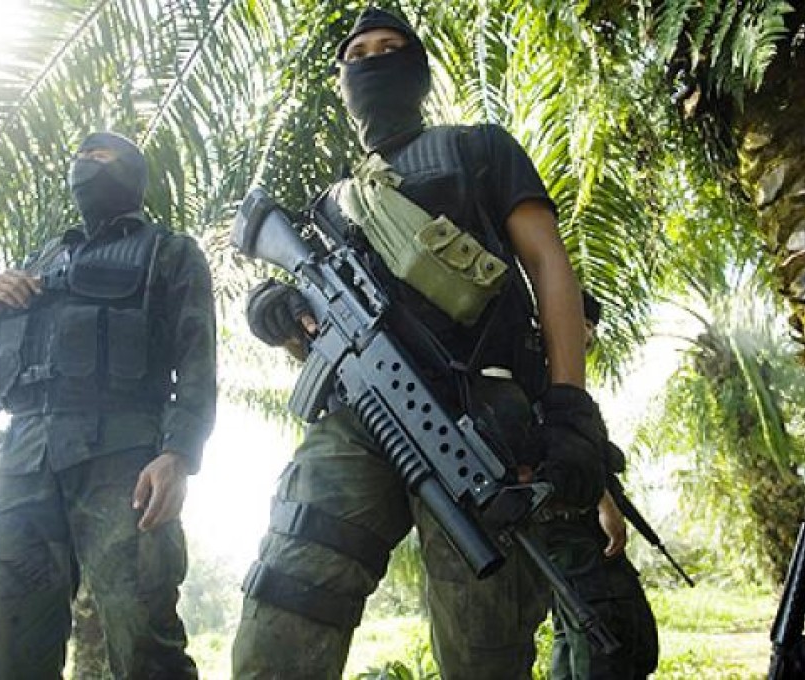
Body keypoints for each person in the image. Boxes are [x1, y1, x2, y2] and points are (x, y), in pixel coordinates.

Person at [231, 7, 608, 678]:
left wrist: (570, 407)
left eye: (392, 47)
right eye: (359, 54)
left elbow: (552, 267)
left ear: (420, 69)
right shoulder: (334, 204)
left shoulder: (478, 148)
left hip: (482, 415)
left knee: (484, 638)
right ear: (342, 81)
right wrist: (286, 312)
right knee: (289, 601)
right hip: (358, 418)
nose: (374, 61)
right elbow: (317, 339)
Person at [0, 131, 217, 679]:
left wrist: (179, 454)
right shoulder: (40, 259)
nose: (87, 165)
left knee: (143, 635)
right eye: (80, 157)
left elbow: (197, 363)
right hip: (24, 465)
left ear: (133, 174)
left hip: (122, 461)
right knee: (9, 640)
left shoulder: (169, 253)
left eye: (103, 157)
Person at [546, 290, 659, 679]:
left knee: (580, 637)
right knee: (605, 638)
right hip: (573, 528)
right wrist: (603, 502)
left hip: (569, 534)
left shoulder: (553, 378)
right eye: (583, 324)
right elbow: (569, 458)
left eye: (593, 327)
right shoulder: (547, 379)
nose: (589, 336)